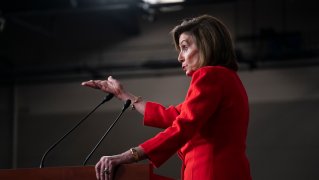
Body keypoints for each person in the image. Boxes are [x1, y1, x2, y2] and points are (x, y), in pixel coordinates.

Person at [81, 14, 252, 180]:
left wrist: (129, 155)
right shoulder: (228, 79)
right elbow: (173, 116)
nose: (180, 57)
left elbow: (183, 125)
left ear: (207, 44)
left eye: (185, 47)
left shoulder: (209, 75)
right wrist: (122, 94)